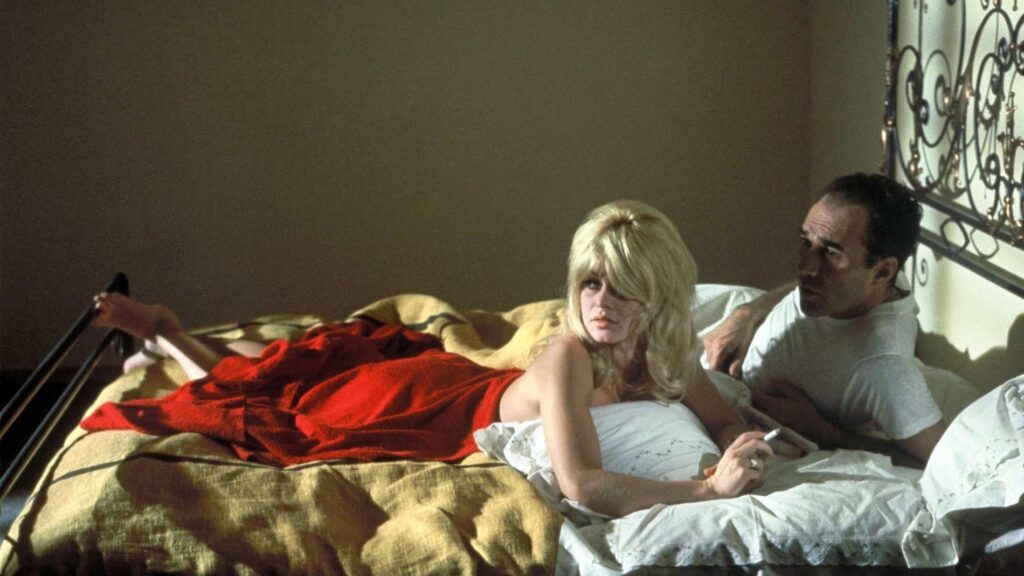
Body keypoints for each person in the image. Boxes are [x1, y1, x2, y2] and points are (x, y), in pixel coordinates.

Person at [88, 200, 772, 518]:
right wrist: (705, 491)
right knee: (283, 395)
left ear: (656, 298)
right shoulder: (571, 355)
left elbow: (722, 418)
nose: (600, 303)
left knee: (305, 368)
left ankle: (173, 338)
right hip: (434, 409)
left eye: (621, 289)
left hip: (460, 383)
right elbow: (582, 485)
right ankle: (170, 336)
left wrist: (741, 446)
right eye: (590, 284)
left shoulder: (666, 350)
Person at [703, 173, 945, 468]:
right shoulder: (864, 284)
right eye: (806, 241)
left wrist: (821, 430)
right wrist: (748, 314)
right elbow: (798, 287)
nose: (806, 268)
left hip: (738, 418)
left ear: (882, 272)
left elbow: (938, 460)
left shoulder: (885, 368)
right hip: (720, 369)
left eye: (831, 253)